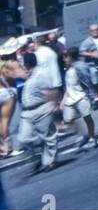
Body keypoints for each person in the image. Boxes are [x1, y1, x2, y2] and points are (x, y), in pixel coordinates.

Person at [17, 34, 63, 174]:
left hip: (42, 109)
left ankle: (50, 161)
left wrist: (55, 105)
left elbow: (52, 91)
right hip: (27, 112)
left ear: (28, 64)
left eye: (23, 64)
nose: (22, 66)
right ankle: (38, 156)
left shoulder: (41, 75)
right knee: (24, 138)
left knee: (49, 137)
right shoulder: (29, 75)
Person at [60, 49, 98, 152]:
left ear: (71, 57)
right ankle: (82, 135)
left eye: (66, 57)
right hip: (70, 99)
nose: (64, 59)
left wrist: (92, 95)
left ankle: (92, 138)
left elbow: (87, 81)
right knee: (68, 120)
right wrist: (63, 100)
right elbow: (67, 86)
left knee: (87, 118)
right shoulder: (67, 69)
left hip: (81, 97)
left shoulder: (79, 67)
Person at [78, 24, 98, 107]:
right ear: (90, 32)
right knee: (96, 83)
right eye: (93, 30)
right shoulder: (87, 41)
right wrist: (91, 54)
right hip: (93, 66)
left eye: (96, 29)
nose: (95, 31)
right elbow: (81, 52)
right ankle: (97, 97)